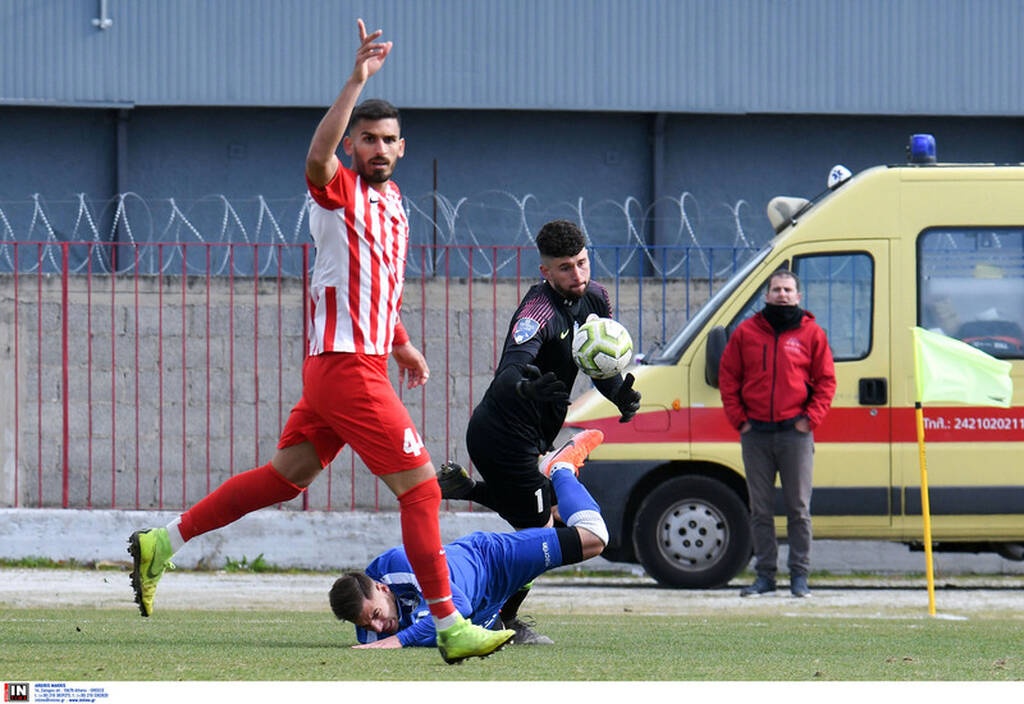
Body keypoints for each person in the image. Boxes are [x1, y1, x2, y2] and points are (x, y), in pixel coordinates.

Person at [126, 19, 515, 665]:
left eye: (388, 139)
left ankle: (162, 542)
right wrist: (355, 80)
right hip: (344, 369)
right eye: (368, 139)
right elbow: (315, 158)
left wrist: (403, 344)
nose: (379, 148)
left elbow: (376, 286)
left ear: (402, 146)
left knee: (287, 477)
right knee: (420, 491)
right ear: (354, 145)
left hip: (348, 365)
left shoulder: (395, 208)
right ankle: (450, 625)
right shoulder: (341, 192)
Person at [435, 219, 641, 643]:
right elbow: (511, 368)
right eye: (565, 268)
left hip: (533, 438)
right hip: (500, 435)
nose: (578, 276)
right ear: (546, 271)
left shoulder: (597, 297)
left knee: (535, 517)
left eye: (583, 263)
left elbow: (594, 362)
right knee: (539, 531)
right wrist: (527, 386)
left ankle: (469, 491)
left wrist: (618, 392)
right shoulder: (537, 311)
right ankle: (501, 621)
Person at [329, 432, 607, 651]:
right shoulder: (367, 619)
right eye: (367, 623)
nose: (379, 628)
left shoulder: (398, 567)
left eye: (376, 614)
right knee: (547, 525)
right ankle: (506, 619)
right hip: (484, 606)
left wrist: (400, 641)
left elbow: (456, 608)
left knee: (593, 538)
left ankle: (559, 467)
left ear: (382, 587)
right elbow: (383, 639)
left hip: (493, 560)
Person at [718, 268, 836, 598]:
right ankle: (765, 576)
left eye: (788, 289)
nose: (782, 294)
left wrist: (809, 420)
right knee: (760, 509)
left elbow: (826, 382)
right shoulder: (746, 333)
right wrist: (739, 420)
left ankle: (800, 576)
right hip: (755, 433)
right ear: (766, 296)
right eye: (776, 289)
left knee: (798, 509)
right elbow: (729, 378)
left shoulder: (812, 334)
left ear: (798, 296)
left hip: (795, 434)